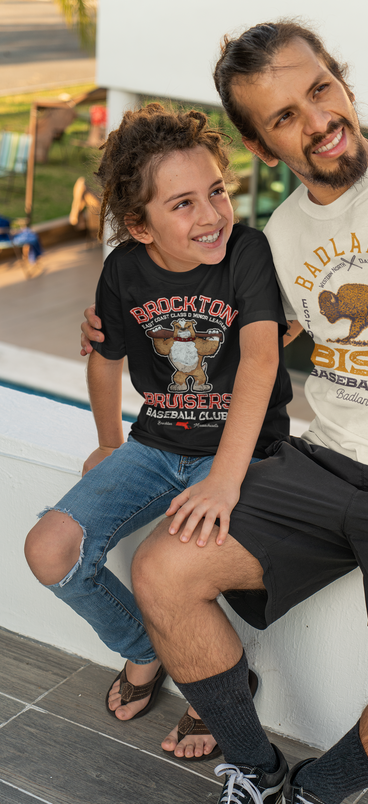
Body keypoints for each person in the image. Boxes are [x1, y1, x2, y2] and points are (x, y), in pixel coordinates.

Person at [81, 9, 368, 804]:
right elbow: (212, 322)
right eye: (286, 117)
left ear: (343, 83)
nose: (320, 121)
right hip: (320, 464)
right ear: (262, 147)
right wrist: (113, 323)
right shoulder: (278, 237)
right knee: (161, 570)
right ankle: (253, 766)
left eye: (322, 89)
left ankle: (316, 790)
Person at [24, 103, 292, 762]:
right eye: (183, 204)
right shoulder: (123, 270)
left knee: (175, 571)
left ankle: (213, 690)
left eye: (217, 192)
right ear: (141, 225)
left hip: (239, 453)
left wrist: (225, 482)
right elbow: (107, 356)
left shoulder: (247, 252)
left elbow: (260, 357)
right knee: (50, 550)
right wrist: (108, 440)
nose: (211, 215)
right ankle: (144, 649)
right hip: (152, 445)